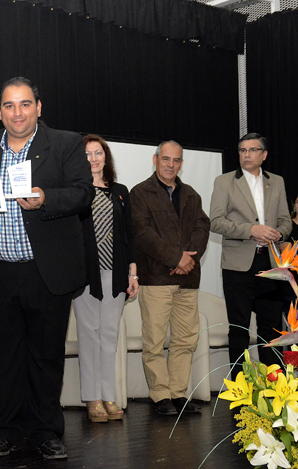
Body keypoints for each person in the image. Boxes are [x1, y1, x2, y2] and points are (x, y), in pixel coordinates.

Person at [0, 77, 94, 460]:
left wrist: (45, 198)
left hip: (47, 271)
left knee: (46, 357)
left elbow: (83, 192)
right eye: (9, 105)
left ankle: (45, 432)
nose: (17, 112)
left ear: (39, 107)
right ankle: (6, 431)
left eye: (25, 104)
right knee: (4, 358)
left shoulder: (67, 143)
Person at [130, 140, 209, 416]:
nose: (170, 165)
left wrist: (188, 261)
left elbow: (202, 228)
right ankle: (160, 396)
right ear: (155, 160)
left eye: (176, 160)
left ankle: (178, 394)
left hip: (188, 280)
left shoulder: (192, 195)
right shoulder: (139, 193)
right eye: (165, 159)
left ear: (181, 163)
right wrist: (177, 259)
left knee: (185, 341)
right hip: (156, 280)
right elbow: (142, 234)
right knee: (154, 341)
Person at [209, 133, 291, 378]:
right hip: (237, 264)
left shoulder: (276, 182)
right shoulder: (225, 182)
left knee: (271, 329)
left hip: (271, 263)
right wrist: (251, 230)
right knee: (238, 328)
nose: (246, 155)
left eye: (252, 150)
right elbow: (215, 221)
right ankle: (238, 386)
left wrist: (278, 233)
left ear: (263, 155)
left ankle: (274, 386)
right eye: (242, 150)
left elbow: (286, 221)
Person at [73, 134, 138, 423]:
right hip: (85, 275)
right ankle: (92, 398)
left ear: (106, 158)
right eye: (87, 154)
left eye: (98, 153)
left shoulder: (120, 191)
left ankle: (109, 395)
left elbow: (129, 236)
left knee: (110, 336)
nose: (93, 159)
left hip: (116, 273)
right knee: (89, 335)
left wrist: (132, 274)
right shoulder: (75, 191)